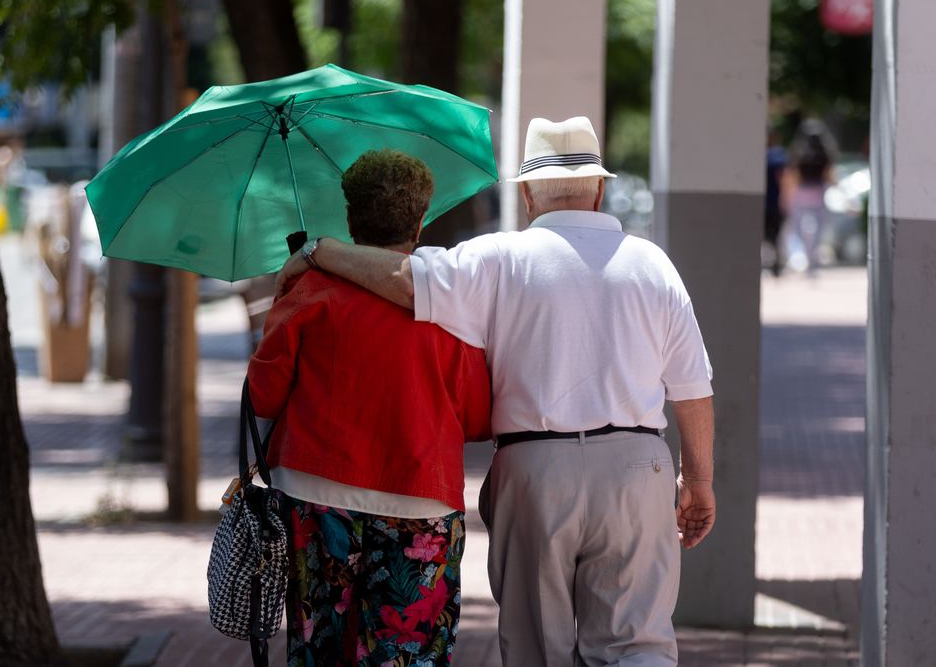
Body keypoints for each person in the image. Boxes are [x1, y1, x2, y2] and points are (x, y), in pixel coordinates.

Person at [275, 117, 717, 666]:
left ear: (528, 194)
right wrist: (696, 479)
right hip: (637, 468)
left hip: (535, 470)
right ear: (599, 189)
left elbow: (401, 279)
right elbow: (693, 386)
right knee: (637, 644)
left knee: (537, 645)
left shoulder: (497, 258)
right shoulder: (653, 264)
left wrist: (319, 252)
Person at [247, 149, 492, 666]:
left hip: (317, 494)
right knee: (410, 653)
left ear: (351, 219)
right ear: (422, 219)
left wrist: (282, 297)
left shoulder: (309, 290)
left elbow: (264, 395)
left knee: (319, 650)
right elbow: (476, 417)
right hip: (419, 499)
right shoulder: (449, 303)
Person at [780, 118, 838, 274]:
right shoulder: (825, 153)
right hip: (818, 195)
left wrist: (787, 197)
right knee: (818, 230)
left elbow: (793, 177)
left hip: (801, 196)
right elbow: (830, 177)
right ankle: (811, 259)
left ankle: (805, 255)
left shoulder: (798, 152)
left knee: (797, 229)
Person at [764, 129, 789, 276]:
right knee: (775, 237)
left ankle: (775, 262)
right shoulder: (777, 155)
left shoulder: (774, 155)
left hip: (771, 203)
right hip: (773, 203)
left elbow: (784, 178)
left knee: (772, 236)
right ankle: (775, 262)